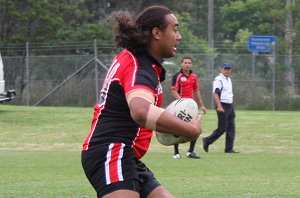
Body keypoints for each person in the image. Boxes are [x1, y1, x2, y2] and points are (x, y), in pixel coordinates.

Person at [81, 5, 202, 198]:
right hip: (111, 151)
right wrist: (190, 130)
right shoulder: (140, 68)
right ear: (157, 32)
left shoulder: (136, 60)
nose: (179, 36)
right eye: (175, 29)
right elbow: (141, 112)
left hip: (125, 155)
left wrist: (169, 125)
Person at [170, 56, 207, 159]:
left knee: (196, 128)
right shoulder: (177, 76)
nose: (187, 65)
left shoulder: (194, 76)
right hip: (180, 107)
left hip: (191, 108)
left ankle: (191, 151)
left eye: (189, 63)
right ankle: (176, 153)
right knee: (177, 128)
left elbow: (196, 91)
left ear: (191, 65)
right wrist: (182, 103)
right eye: (185, 63)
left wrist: (202, 105)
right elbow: (173, 91)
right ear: (181, 64)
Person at [202, 63, 238, 153]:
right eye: (225, 69)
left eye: (228, 69)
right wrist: (219, 106)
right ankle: (207, 140)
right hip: (222, 106)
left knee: (231, 128)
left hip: (230, 106)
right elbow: (215, 93)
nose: (227, 71)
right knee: (222, 128)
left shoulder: (229, 80)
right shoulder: (218, 80)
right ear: (222, 69)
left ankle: (229, 149)